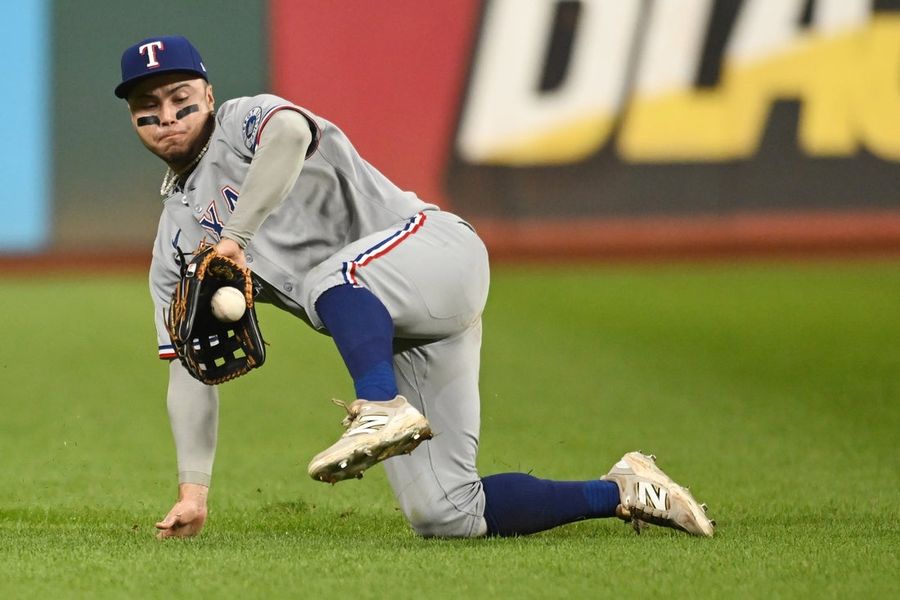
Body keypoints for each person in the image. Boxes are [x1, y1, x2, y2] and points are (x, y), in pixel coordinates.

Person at [115, 35, 716, 539]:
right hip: (399, 332)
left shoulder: (245, 120)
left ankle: (378, 406)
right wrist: (194, 491)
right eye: (149, 104)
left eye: (180, 96)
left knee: (332, 274)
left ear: (209, 94)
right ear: (133, 117)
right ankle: (625, 490)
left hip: (435, 252)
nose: (167, 114)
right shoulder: (174, 244)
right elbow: (186, 367)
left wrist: (237, 236)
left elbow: (291, 137)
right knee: (445, 512)